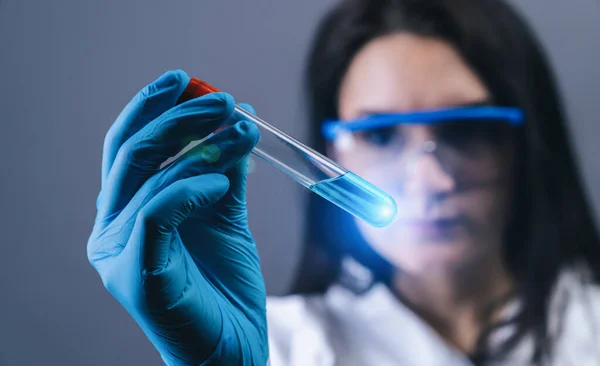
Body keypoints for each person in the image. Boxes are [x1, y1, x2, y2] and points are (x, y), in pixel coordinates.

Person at [87, 0, 600, 364]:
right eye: (378, 136)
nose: (428, 180)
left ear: (530, 144)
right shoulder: (279, 348)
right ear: (328, 150)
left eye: (467, 131)